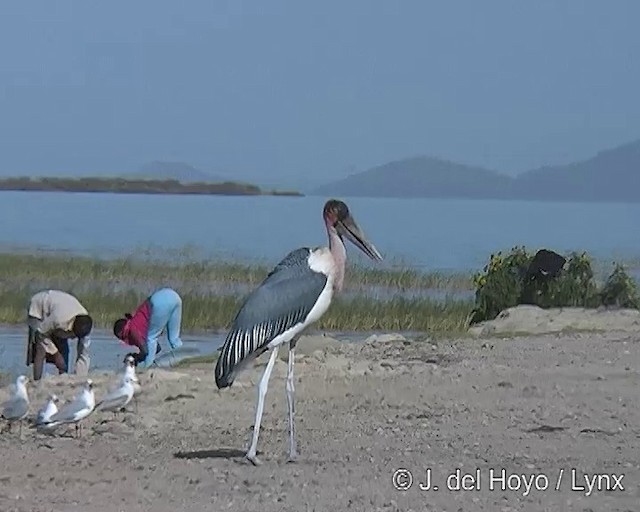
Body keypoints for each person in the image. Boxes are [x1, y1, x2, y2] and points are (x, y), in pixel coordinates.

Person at [26, 290, 93, 381]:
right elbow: (41, 333)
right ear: (71, 327)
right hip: (39, 307)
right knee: (40, 349)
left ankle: (62, 379)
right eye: (73, 335)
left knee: (64, 349)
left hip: (60, 311)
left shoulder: (85, 327)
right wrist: (55, 353)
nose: (73, 338)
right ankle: (36, 382)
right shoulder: (59, 319)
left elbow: (83, 355)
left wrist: (80, 379)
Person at [113, 287, 184, 368]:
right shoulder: (137, 324)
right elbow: (157, 349)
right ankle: (184, 359)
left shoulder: (132, 330)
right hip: (173, 296)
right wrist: (141, 355)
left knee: (151, 338)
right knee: (174, 338)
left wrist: (136, 358)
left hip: (159, 302)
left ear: (122, 333)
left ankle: (148, 368)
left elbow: (145, 351)